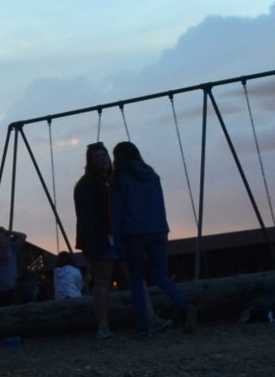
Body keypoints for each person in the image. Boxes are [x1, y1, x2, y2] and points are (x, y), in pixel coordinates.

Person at [111, 140, 194, 335]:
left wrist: (118, 242)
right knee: (161, 276)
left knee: (137, 279)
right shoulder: (152, 175)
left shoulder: (119, 179)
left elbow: (116, 213)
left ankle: (143, 323)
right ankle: (184, 304)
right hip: (158, 230)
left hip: (134, 234)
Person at [71, 141, 120, 341]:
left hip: (119, 236)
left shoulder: (115, 180)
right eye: (97, 157)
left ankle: (146, 317)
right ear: (90, 162)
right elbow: (85, 219)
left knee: (131, 276)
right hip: (100, 239)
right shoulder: (85, 185)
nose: (102, 159)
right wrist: (92, 245)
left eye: (104, 155)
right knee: (102, 281)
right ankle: (103, 325)